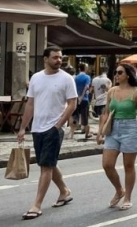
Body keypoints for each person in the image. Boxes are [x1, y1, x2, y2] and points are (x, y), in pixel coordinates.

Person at [17, 46, 78, 221]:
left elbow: (72, 104)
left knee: (46, 166)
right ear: (45, 59)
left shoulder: (67, 79)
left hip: (54, 128)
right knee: (48, 163)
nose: (59, 60)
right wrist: (23, 128)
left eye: (60, 57)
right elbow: (30, 104)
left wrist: (59, 125)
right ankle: (65, 191)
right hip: (37, 128)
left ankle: (36, 205)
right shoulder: (36, 78)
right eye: (55, 57)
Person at [96, 63, 137, 211]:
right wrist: (100, 131)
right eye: (115, 72)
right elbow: (106, 112)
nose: (116, 75)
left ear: (128, 75)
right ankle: (119, 190)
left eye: (120, 72)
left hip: (130, 128)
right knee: (107, 164)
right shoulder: (112, 91)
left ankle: (128, 197)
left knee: (128, 166)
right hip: (113, 129)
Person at [71, 63, 92, 140]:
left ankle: (72, 133)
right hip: (84, 99)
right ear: (85, 68)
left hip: (76, 98)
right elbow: (86, 87)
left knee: (75, 116)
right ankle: (87, 133)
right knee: (85, 117)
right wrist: (82, 96)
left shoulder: (76, 77)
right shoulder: (87, 77)